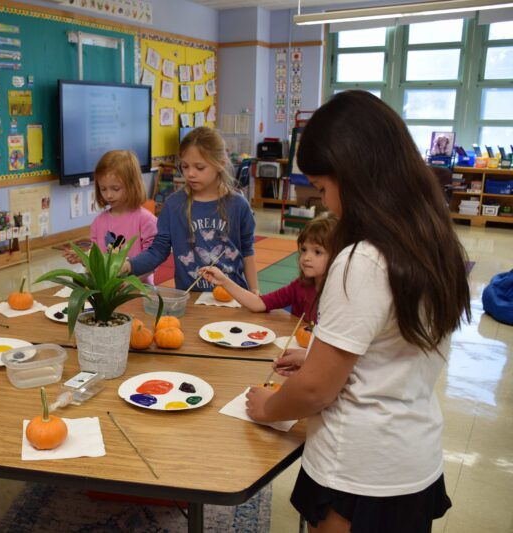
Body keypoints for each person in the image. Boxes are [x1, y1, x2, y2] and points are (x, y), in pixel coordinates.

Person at [246, 90, 470, 533]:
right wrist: (317, 357)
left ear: (358, 175)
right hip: (412, 459)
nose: (325, 203)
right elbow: (389, 351)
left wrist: (268, 407)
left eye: (326, 188)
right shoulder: (434, 241)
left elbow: (314, 391)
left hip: (357, 470)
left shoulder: (363, 258)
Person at [121, 127, 258, 293]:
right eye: (184, 167)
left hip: (233, 297)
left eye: (199, 167)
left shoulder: (238, 204)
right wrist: (128, 265)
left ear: (220, 164)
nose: (190, 174)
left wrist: (254, 291)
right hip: (190, 298)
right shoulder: (173, 205)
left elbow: (247, 250)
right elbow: (158, 251)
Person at [200, 211, 337, 319]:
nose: (306, 257)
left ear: (338, 256)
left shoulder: (339, 296)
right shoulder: (299, 287)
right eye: (304, 250)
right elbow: (258, 304)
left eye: (318, 252)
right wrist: (224, 280)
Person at [64, 150, 157, 284]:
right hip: (108, 292)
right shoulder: (99, 222)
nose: (108, 195)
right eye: (103, 189)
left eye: (115, 188)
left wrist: (131, 281)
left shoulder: (146, 220)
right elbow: (98, 261)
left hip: (138, 292)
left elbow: (152, 261)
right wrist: (83, 259)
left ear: (132, 185)